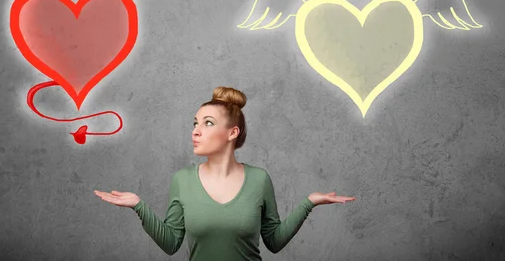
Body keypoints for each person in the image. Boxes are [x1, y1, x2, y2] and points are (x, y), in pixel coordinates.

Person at [94, 86, 355, 260]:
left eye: (208, 123)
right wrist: (139, 206)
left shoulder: (259, 179)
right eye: (195, 123)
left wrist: (309, 203)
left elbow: (274, 242)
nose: (196, 131)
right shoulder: (182, 180)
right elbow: (172, 243)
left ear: (232, 133)